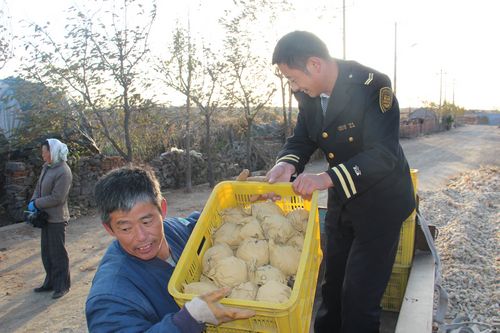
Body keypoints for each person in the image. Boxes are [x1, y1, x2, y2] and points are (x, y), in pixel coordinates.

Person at [266, 31, 416, 333]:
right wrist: (287, 164)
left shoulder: (372, 86)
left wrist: (325, 177)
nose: (293, 87)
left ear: (315, 64)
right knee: (332, 290)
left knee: (359, 300)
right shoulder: (308, 94)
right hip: (343, 199)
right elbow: (303, 136)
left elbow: (382, 154)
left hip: (381, 203)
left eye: (294, 79)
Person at [86, 166, 255, 332]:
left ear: (163, 209)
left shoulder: (176, 230)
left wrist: (233, 201)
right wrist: (186, 322)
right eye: (125, 228)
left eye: (146, 222)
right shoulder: (111, 295)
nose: (141, 236)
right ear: (109, 229)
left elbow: (201, 225)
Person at [29, 138, 73, 299]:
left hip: (57, 219)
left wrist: (37, 204)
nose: (42, 155)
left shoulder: (63, 171)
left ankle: (62, 285)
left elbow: (58, 198)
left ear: (52, 152)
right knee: (47, 252)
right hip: (45, 217)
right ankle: (50, 282)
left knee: (58, 253)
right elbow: (38, 188)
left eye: (44, 151)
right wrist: (33, 201)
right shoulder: (47, 167)